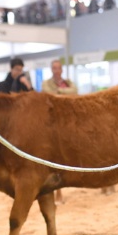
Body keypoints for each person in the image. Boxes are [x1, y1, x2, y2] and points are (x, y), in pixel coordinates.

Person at [42, 59, 77, 204]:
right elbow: (47, 93)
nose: (57, 70)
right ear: (51, 69)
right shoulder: (47, 83)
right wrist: (63, 93)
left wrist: (59, 92)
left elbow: (74, 91)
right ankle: (58, 193)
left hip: (69, 121)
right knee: (54, 157)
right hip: (53, 123)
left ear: (62, 69)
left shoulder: (68, 82)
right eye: (54, 68)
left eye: (58, 68)